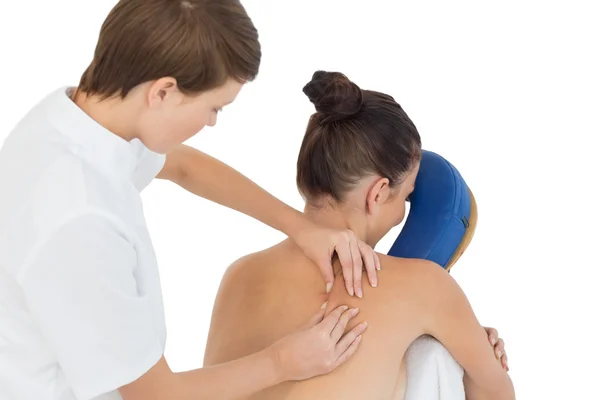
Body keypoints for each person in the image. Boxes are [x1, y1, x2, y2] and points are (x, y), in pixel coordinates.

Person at [0, 2, 381, 400]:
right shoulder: (79, 219)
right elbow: (156, 394)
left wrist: (302, 227)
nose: (212, 122)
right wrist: (283, 361)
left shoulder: (77, 120)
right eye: (214, 107)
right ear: (163, 91)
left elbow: (182, 167)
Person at [203, 71, 515, 400]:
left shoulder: (237, 276)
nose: (401, 215)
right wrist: (473, 352)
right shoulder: (424, 285)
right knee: (436, 354)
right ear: (378, 193)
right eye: (406, 197)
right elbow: (497, 393)